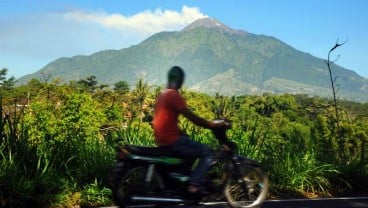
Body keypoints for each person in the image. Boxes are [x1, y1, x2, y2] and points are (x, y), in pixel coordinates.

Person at [152, 66, 227, 195]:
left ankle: (182, 178)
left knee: (188, 143)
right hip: (172, 141)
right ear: (181, 81)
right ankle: (194, 185)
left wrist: (182, 133)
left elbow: (164, 121)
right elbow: (193, 118)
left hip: (162, 140)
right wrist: (212, 125)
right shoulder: (174, 95)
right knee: (208, 153)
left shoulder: (162, 95)